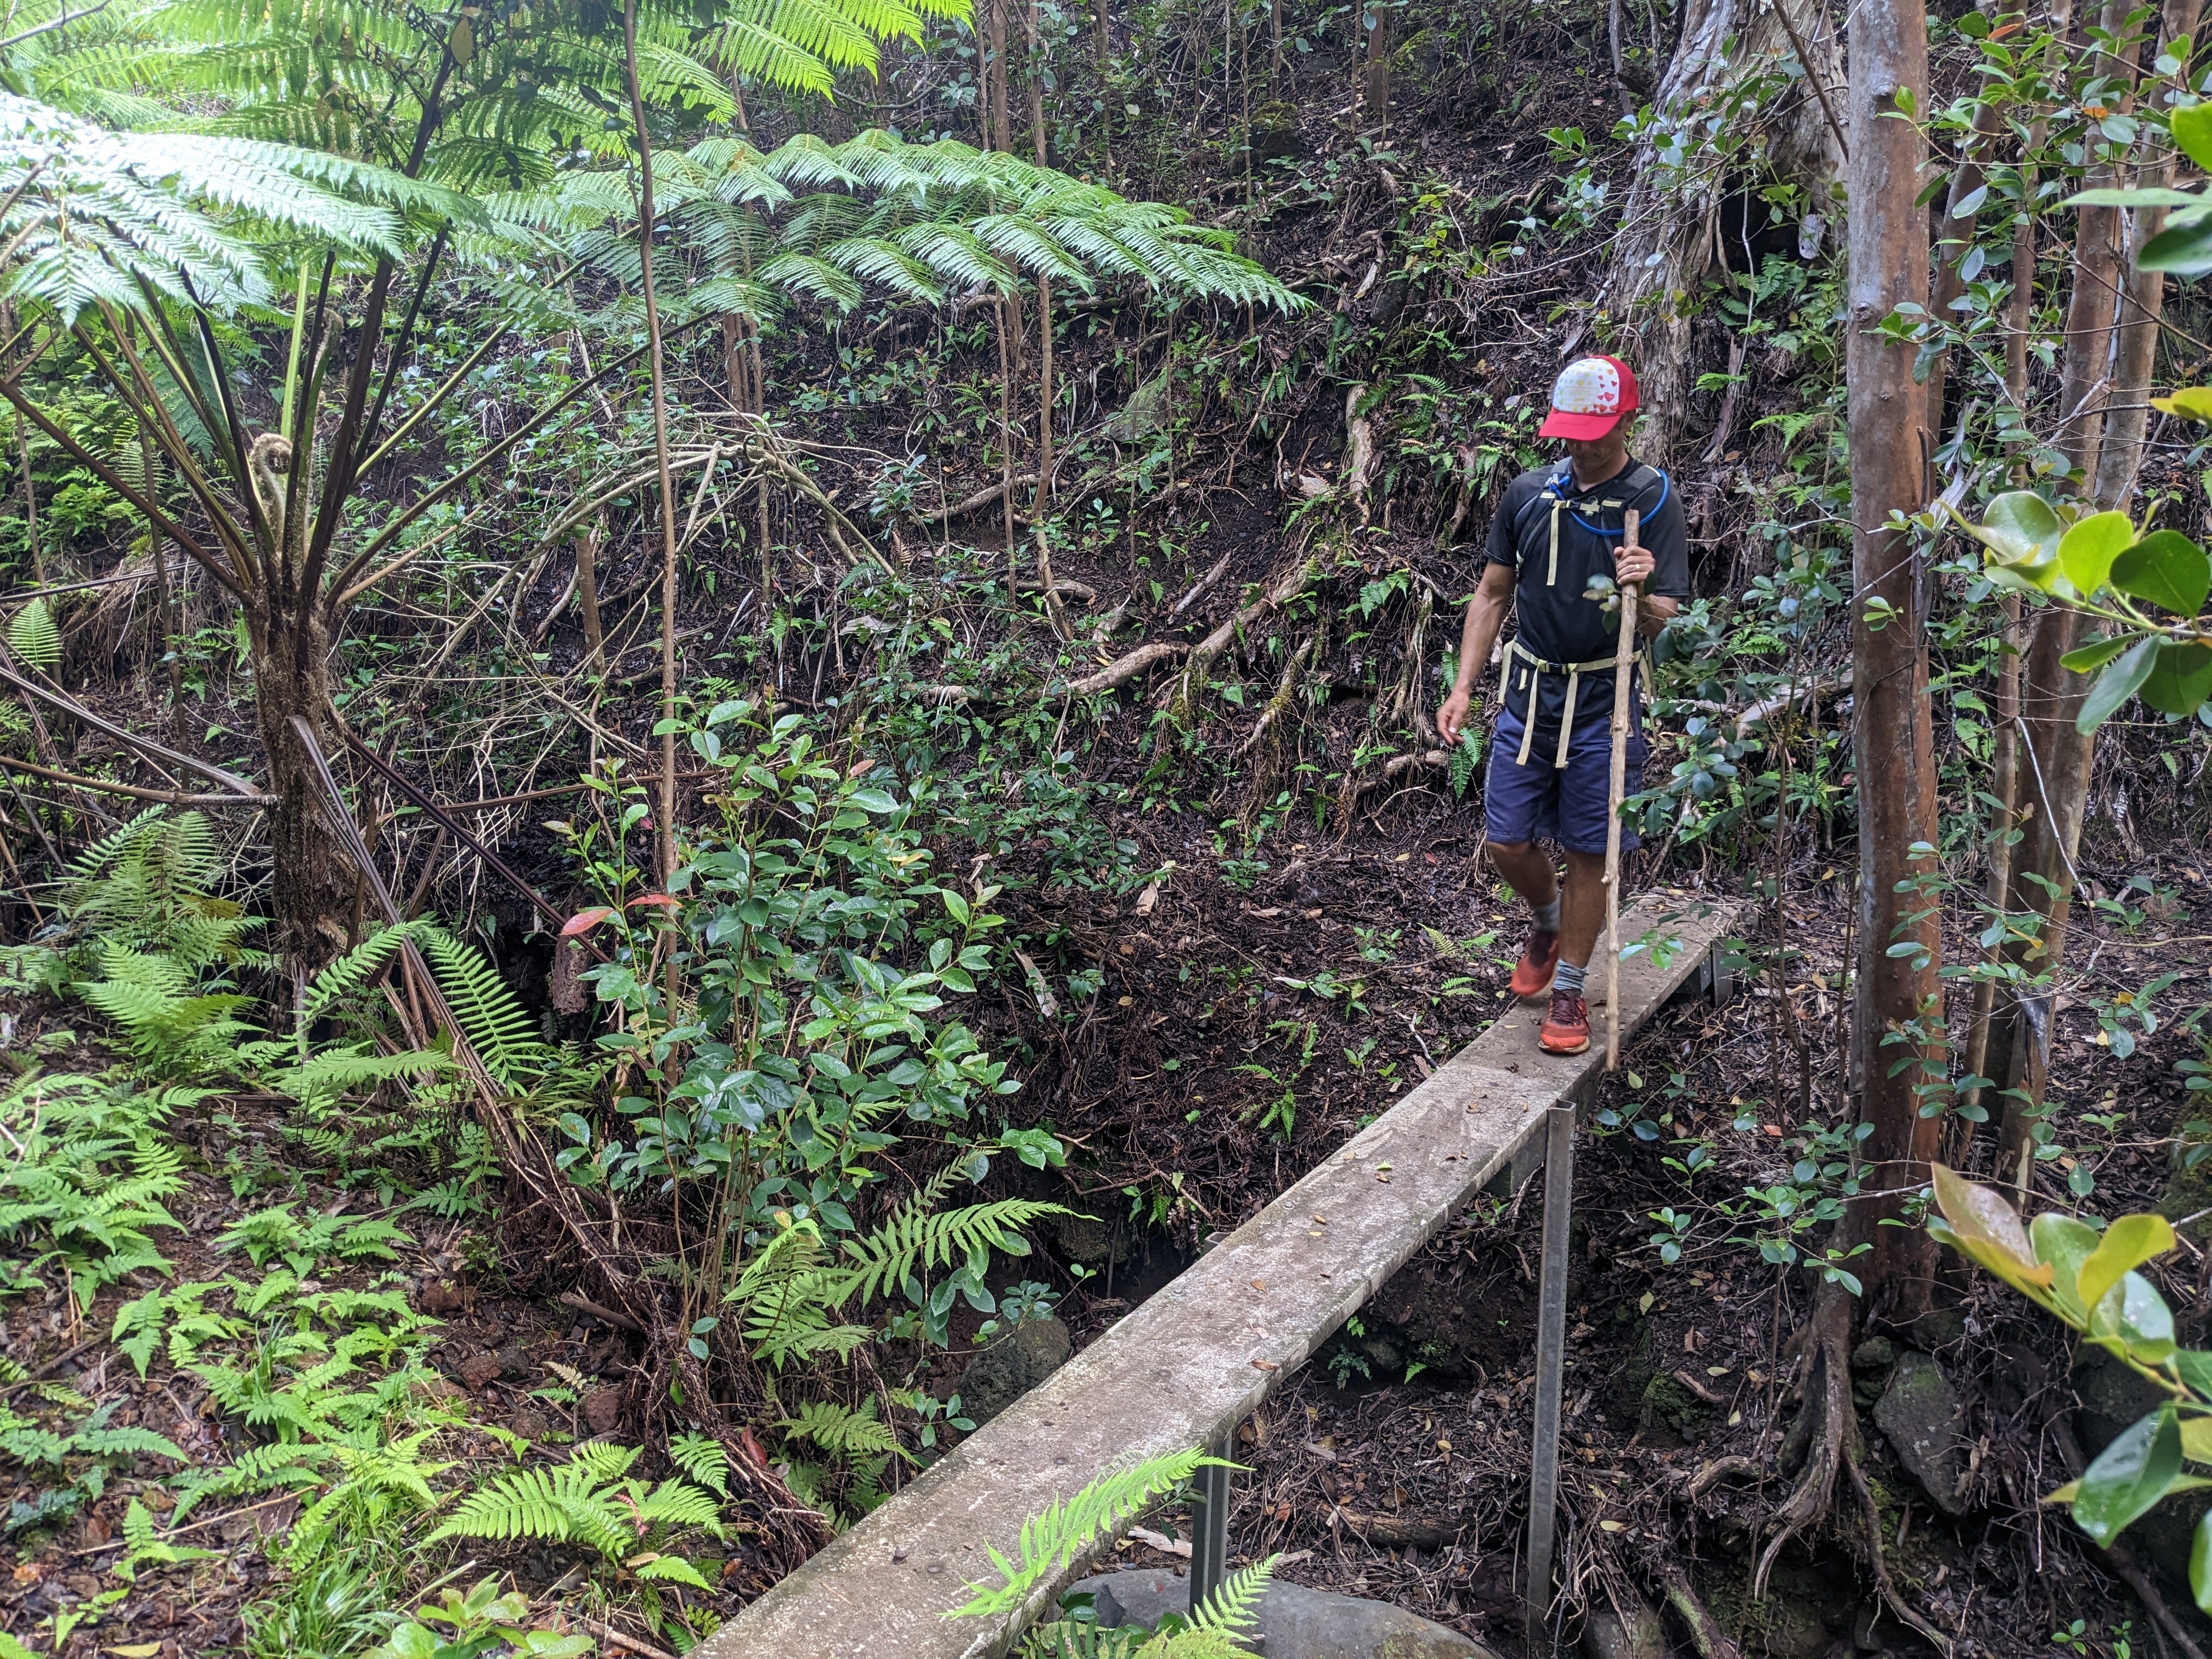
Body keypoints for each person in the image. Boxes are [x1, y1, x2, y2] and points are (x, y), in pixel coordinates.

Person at [1436, 355, 1686, 1056]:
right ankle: (1545, 921)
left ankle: (1571, 986)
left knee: (1590, 849)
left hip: (1607, 701)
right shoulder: (1527, 494)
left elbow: (1672, 613)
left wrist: (1646, 592)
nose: (1582, 448)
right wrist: (1463, 686)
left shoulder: (1653, 500)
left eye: (1596, 436)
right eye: (1572, 436)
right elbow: (1491, 595)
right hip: (1530, 693)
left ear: (1629, 422)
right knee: (1506, 840)